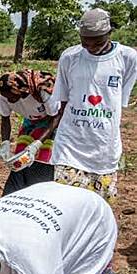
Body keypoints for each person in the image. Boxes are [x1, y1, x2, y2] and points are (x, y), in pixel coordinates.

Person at [51, 8, 137, 202]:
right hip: (70, 146)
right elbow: (63, 102)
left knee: (98, 210)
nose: (90, 47)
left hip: (104, 148)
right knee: (67, 205)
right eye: (85, 42)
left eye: (97, 42)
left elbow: (115, 103)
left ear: (109, 34)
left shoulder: (128, 58)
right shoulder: (69, 57)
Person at [0, 70, 61, 195]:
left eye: (12, 98)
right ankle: (17, 190)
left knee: (44, 157)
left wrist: (37, 144)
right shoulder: (6, 93)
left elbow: (56, 116)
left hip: (52, 122)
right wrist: (5, 142)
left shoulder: (41, 90)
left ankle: (41, 192)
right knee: (21, 158)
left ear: (22, 92)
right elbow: (5, 117)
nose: (9, 101)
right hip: (31, 121)